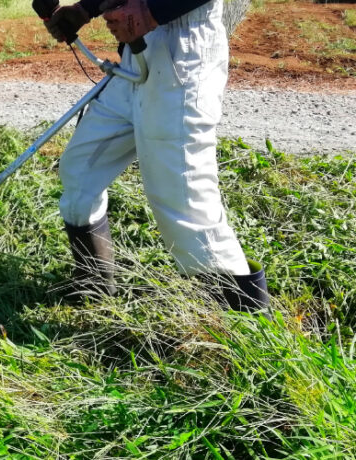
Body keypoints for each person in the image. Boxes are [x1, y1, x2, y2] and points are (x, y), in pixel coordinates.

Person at [42, 0, 269, 311]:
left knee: (185, 204)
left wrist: (153, 11)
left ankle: (244, 322)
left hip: (182, 51)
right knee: (80, 169)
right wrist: (85, 9)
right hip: (133, 58)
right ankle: (95, 288)